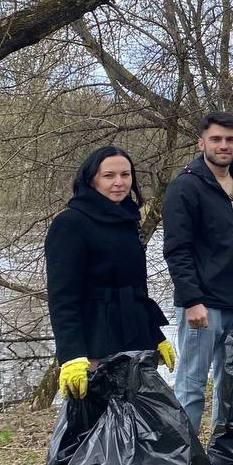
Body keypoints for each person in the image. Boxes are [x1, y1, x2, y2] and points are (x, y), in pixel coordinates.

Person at [163, 111, 233, 435]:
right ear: (202, 143)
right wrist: (191, 299)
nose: (223, 145)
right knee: (191, 386)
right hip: (202, 306)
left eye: (230, 139)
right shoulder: (185, 187)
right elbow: (176, 251)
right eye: (216, 139)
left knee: (230, 388)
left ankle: (221, 461)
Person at [46, 146, 175, 401]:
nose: (119, 182)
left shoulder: (129, 219)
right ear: (91, 178)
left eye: (125, 175)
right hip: (96, 342)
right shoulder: (71, 223)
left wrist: (155, 334)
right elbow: (62, 298)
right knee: (98, 429)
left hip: (136, 336)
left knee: (140, 426)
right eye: (109, 176)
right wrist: (72, 355)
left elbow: (137, 288)